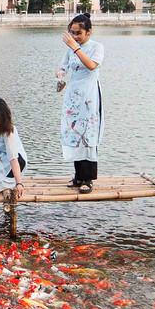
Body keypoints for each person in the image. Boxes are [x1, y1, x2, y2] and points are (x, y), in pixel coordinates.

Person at [57, 15, 104, 194]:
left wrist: (75, 47)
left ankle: (88, 179)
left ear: (88, 31)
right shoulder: (70, 49)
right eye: (72, 33)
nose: (75, 36)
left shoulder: (97, 47)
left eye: (79, 33)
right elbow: (64, 66)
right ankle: (78, 176)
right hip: (73, 95)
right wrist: (60, 74)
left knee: (88, 133)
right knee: (75, 132)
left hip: (90, 95)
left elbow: (92, 65)